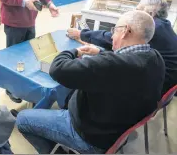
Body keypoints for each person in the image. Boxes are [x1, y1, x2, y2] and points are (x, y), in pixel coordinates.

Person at [16, 10, 165, 154]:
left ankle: (57, 151)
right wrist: (100, 52)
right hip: (119, 129)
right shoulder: (155, 57)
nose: (112, 36)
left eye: (115, 30)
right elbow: (123, 63)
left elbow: (58, 69)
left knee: (23, 119)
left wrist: (75, 51)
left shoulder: (111, 65)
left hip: (90, 137)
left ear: (125, 31)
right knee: (66, 93)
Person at [67, 0, 177, 96]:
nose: (134, 12)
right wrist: (99, 52)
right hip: (164, 82)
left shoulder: (152, 29)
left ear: (151, 14)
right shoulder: (164, 25)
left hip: (154, 88)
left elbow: (112, 39)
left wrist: (81, 34)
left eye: (138, 9)